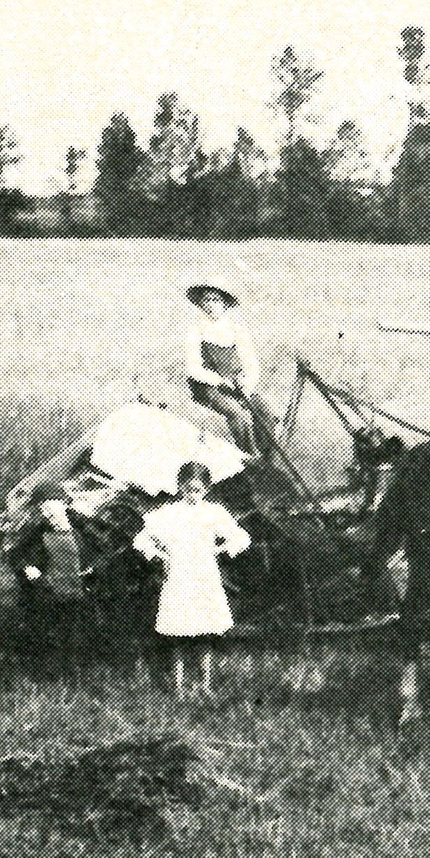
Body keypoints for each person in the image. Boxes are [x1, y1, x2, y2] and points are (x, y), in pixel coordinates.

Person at [134, 460, 252, 695]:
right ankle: (179, 688)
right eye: (188, 489)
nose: (193, 494)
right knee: (179, 633)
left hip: (204, 576)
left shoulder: (214, 513)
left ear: (206, 490)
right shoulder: (168, 514)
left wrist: (221, 549)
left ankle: (204, 686)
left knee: (204, 633)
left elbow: (241, 537)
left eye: (198, 490)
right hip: (178, 576)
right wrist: (161, 556)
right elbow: (141, 540)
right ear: (180, 487)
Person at [183, 278, 277, 459]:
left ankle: (266, 460)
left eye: (216, 300)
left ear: (225, 304)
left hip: (238, 386)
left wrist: (246, 385)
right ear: (200, 304)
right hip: (209, 388)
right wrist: (220, 381)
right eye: (206, 300)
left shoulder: (237, 330)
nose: (211, 305)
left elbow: (251, 364)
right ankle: (249, 459)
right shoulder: (195, 331)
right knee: (239, 415)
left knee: (267, 413)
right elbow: (193, 368)